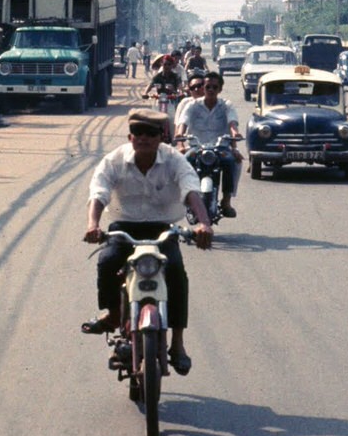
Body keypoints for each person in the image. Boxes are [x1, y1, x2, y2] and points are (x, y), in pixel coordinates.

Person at [82, 107, 213, 376]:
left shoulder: (174, 160)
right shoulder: (114, 160)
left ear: (161, 137)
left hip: (162, 229)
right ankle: (113, 314)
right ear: (130, 136)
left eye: (150, 133)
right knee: (107, 261)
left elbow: (191, 189)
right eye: (138, 132)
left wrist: (204, 224)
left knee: (176, 273)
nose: (144, 138)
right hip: (124, 227)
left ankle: (177, 343)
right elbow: (99, 191)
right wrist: (93, 225)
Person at [176, 71, 242, 218]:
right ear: (203, 88)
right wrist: (180, 136)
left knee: (232, 162)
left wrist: (235, 134)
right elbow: (183, 122)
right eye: (207, 87)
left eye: (214, 87)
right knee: (185, 161)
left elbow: (232, 123)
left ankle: (226, 201)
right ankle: (186, 196)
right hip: (196, 147)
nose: (211, 90)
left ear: (220, 89)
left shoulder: (226, 105)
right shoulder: (192, 105)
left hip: (220, 148)